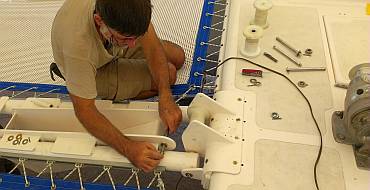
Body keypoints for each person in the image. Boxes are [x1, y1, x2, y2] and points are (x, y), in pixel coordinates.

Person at [51, 0, 185, 172]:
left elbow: (151, 48)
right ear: (100, 21)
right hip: (93, 70)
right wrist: (130, 150)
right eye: (126, 39)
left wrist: (165, 96)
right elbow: (85, 111)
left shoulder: (131, 10)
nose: (132, 44)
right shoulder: (78, 48)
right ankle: (109, 89)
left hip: (109, 39)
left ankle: (122, 54)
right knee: (170, 73)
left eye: (136, 37)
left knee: (178, 56)